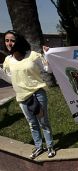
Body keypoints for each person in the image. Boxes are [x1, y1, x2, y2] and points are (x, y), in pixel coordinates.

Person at [2, 30, 56, 159]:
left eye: (12, 40)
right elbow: (10, 78)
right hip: (22, 97)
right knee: (32, 124)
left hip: (37, 94)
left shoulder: (33, 55)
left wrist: (48, 54)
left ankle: (50, 146)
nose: (9, 43)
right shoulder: (8, 60)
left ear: (18, 41)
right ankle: (39, 147)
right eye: (6, 40)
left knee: (43, 122)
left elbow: (49, 69)